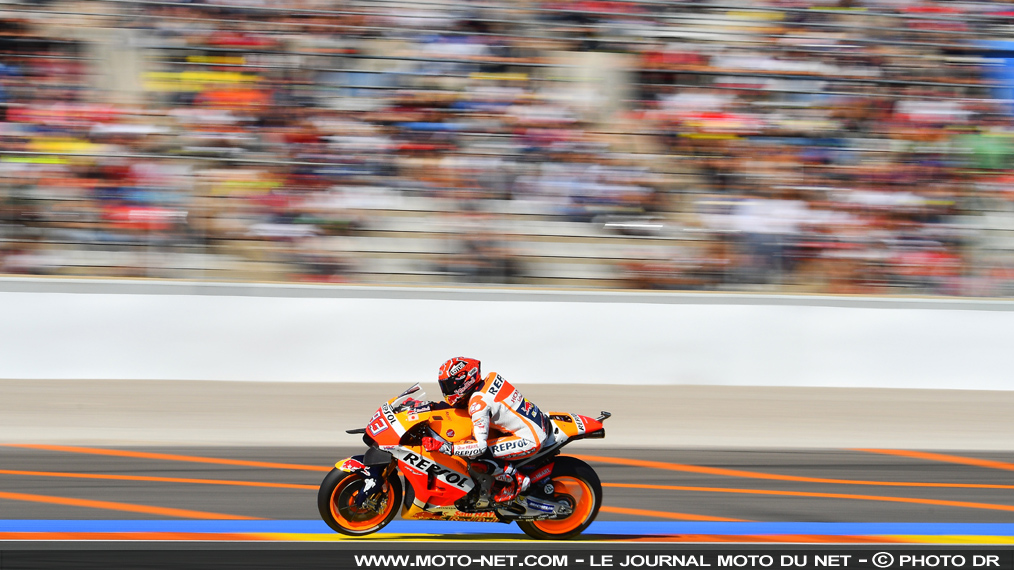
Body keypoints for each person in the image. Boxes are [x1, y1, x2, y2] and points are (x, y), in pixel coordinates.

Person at [422, 356, 552, 503]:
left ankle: (517, 480)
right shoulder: (491, 378)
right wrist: (429, 406)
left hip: (530, 438)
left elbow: (479, 447)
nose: (446, 390)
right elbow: (463, 405)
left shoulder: (479, 405)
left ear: (464, 381)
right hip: (535, 421)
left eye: (449, 385)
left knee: (476, 456)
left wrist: (446, 447)